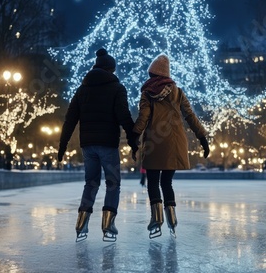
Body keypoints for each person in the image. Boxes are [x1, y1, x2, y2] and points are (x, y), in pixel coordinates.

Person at [57, 48, 138, 242]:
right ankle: (108, 224)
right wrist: (134, 141)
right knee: (113, 183)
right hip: (108, 144)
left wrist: (62, 145)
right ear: (111, 69)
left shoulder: (82, 89)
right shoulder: (117, 88)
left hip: (88, 145)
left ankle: (81, 224)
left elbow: (70, 119)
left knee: (91, 183)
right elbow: (124, 117)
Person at [131, 53, 210, 239]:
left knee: (153, 182)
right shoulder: (178, 92)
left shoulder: (147, 92)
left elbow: (143, 117)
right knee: (167, 182)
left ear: (152, 73)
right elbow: (190, 116)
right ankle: (172, 220)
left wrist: (134, 137)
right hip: (175, 143)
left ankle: (157, 218)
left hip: (154, 142)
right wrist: (202, 138)